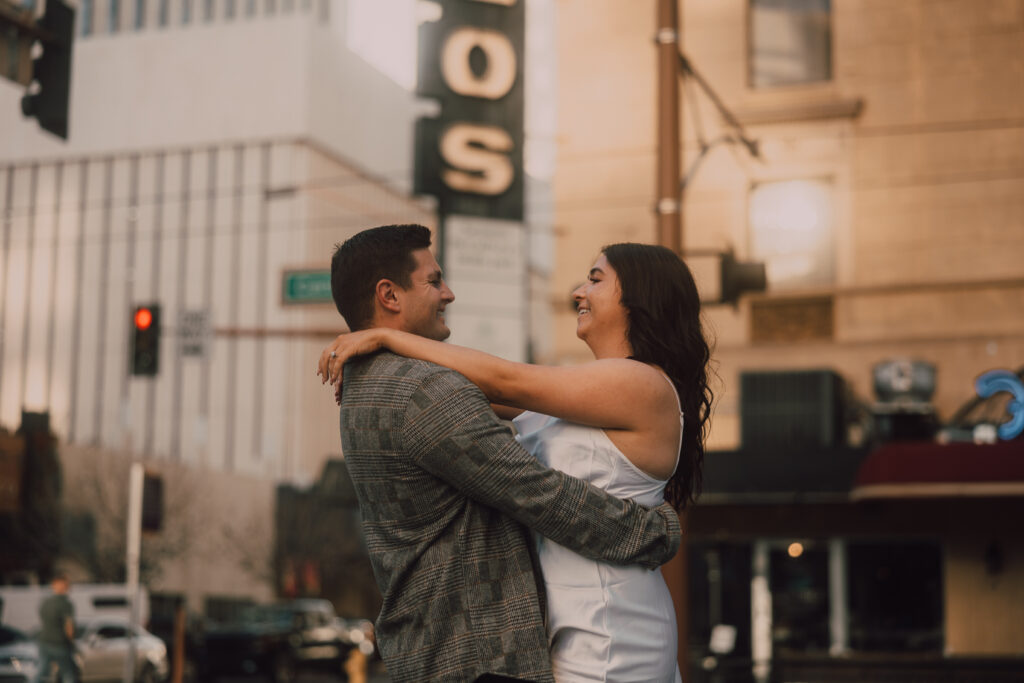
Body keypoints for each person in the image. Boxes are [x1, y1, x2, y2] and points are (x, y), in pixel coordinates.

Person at [320, 241, 713, 682]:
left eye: (596, 279)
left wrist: (387, 337)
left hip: (610, 624)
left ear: (641, 296)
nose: (578, 291)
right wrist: (376, 370)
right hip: (568, 623)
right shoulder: (582, 393)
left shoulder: (639, 381)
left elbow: (503, 382)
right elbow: (468, 397)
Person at [35, 574, 79, 683]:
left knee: (42, 672)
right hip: (60, 643)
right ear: (64, 586)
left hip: (44, 641)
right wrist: (72, 643)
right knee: (68, 673)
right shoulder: (65, 603)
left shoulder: (45, 602)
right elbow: (69, 627)